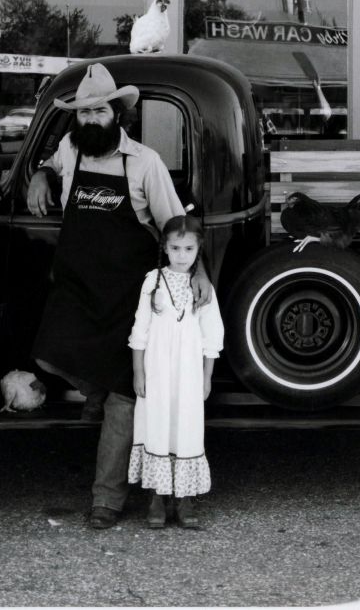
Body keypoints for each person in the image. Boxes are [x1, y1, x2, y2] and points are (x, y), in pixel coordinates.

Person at [25, 62, 184, 529]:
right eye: (83, 113)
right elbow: (50, 162)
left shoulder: (145, 163)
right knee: (49, 355)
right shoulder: (71, 149)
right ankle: (90, 389)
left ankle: (106, 500)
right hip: (76, 289)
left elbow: (174, 225)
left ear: (117, 113)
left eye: (99, 112)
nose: (90, 119)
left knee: (121, 396)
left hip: (127, 298)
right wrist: (39, 173)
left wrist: (188, 279)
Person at [128, 215, 223, 529]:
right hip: (156, 370)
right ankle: (156, 498)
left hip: (188, 373)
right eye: (175, 248)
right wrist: (138, 372)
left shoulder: (203, 288)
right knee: (156, 426)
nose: (182, 255)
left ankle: (183, 500)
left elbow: (212, 337)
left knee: (186, 428)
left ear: (198, 250)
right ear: (165, 248)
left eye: (188, 248)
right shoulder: (152, 281)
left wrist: (207, 377)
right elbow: (140, 331)